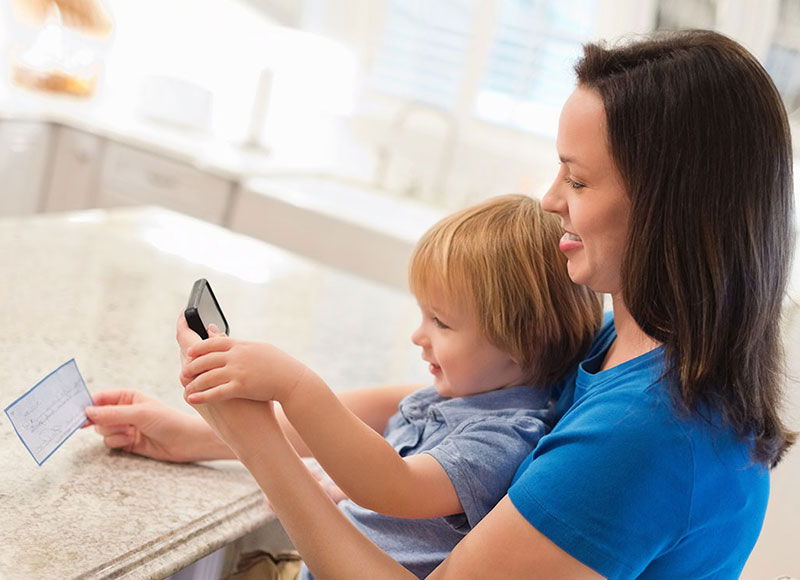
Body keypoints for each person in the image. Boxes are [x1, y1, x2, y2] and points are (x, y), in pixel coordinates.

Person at [87, 29, 796, 579]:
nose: (550, 200)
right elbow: (427, 409)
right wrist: (201, 435)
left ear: (668, 208)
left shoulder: (651, 436)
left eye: (577, 181)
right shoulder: (627, 343)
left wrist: (256, 437)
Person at [183, 193, 602, 579]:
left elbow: (395, 485)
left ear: (523, 342)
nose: (419, 336)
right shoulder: (461, 397)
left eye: (441, 322)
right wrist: (335, 494)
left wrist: (294, 385)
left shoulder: (504, 437)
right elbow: (396, 508)